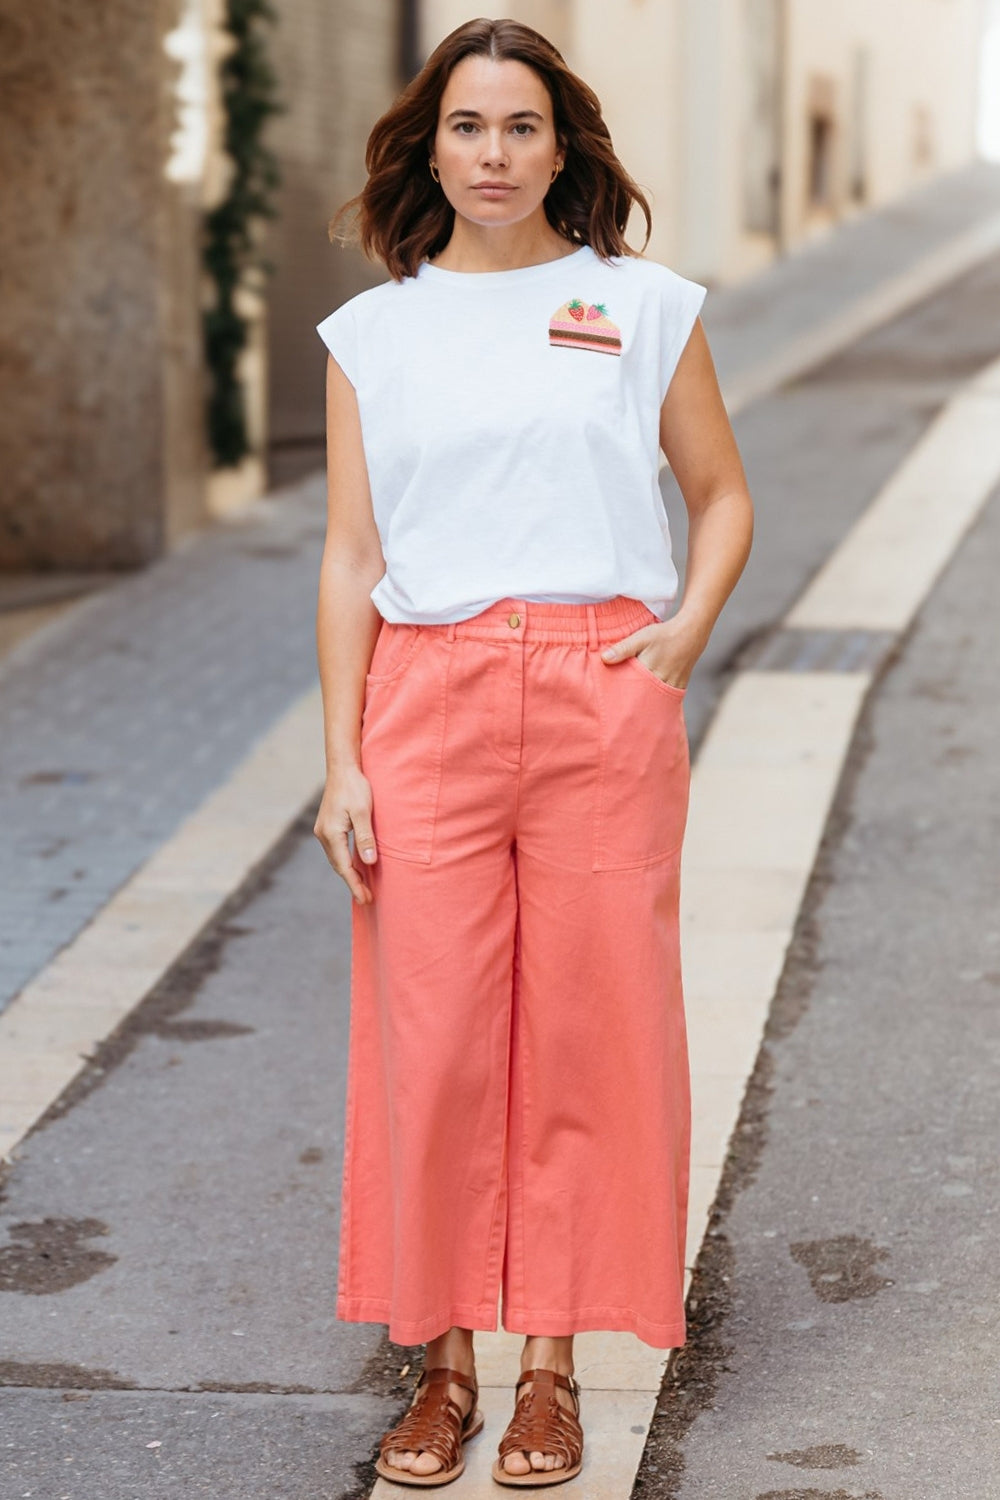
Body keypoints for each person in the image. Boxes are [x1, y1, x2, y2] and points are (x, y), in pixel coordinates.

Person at [313, 16, 753, 1489]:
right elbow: (351, 555)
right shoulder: (374, 334)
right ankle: (444, 1368)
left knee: (586, 1032)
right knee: (432, 1038)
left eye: (520, 126)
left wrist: (680, 636)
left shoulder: (643, 306)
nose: (493, 153)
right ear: (428, 148)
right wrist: (342, 759)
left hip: (598, 693)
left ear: (562, 147)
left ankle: (552, 1370)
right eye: (467, 126)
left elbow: (722, 494)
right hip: (425, 702)